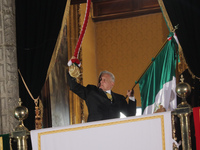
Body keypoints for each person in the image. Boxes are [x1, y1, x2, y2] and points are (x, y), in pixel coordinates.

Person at [67, 62, 136, 122]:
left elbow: (130, 114)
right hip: (95, 131)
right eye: (100, 80)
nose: (101, 82)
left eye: (104, 80)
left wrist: (131, 97)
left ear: (112, 83)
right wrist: (73, 70)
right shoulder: (92, 91)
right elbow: (74, 87)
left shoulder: (120, 98)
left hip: (113, 132)